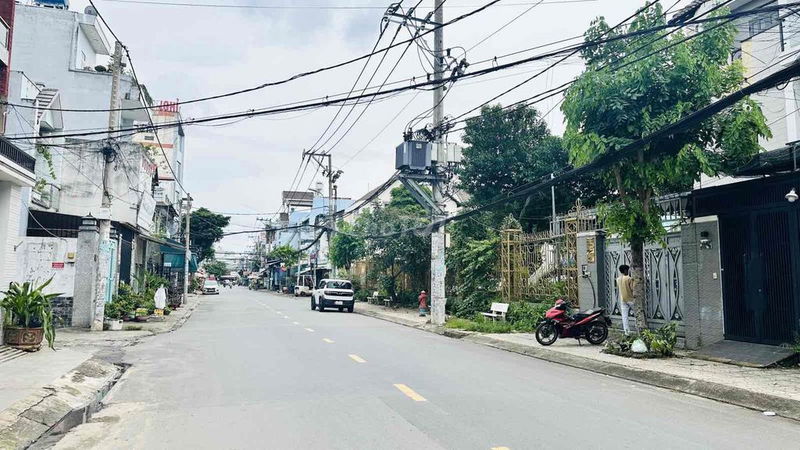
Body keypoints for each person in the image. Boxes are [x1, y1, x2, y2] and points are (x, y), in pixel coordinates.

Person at [616, 265, 634, 335]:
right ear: (626, 270)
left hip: (623, 299)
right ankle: (639, 329)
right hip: (631, 299)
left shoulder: (618, 279)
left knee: (624, 317)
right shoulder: (629, 279)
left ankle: (627, 332)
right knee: (637, 314)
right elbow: (632, 288)